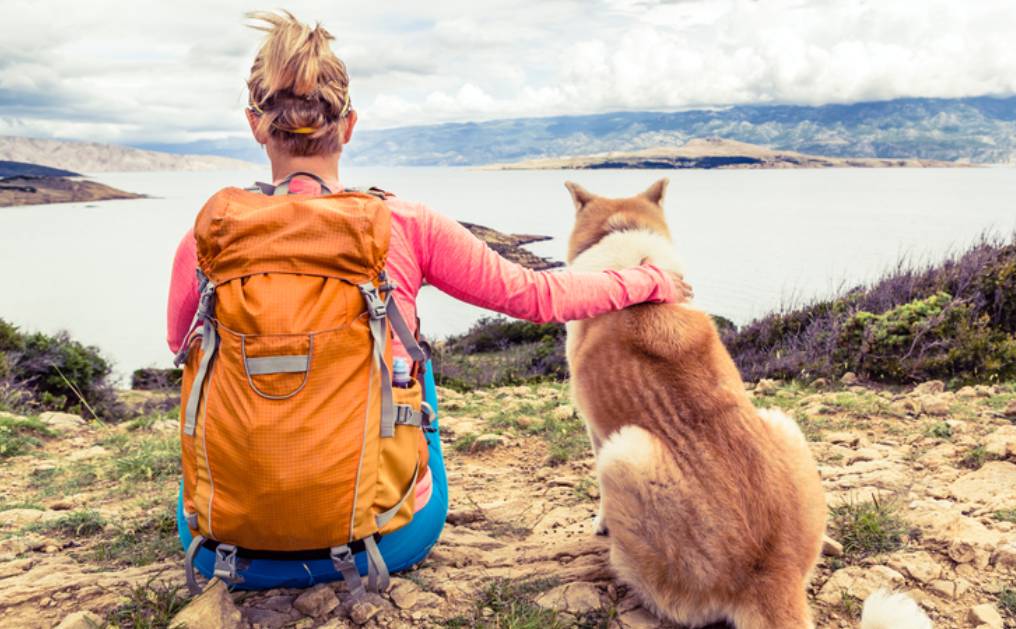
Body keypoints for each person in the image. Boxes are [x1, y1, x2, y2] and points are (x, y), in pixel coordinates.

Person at [165, 10, 691, 590]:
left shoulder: (209, 234)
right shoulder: (404, 224)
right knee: (409, 357)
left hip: (221, 545)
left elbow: (178, 345)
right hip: (382, 541)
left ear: (256, 125)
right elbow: (538, 296)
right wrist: (648, 280)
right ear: (350, 124)